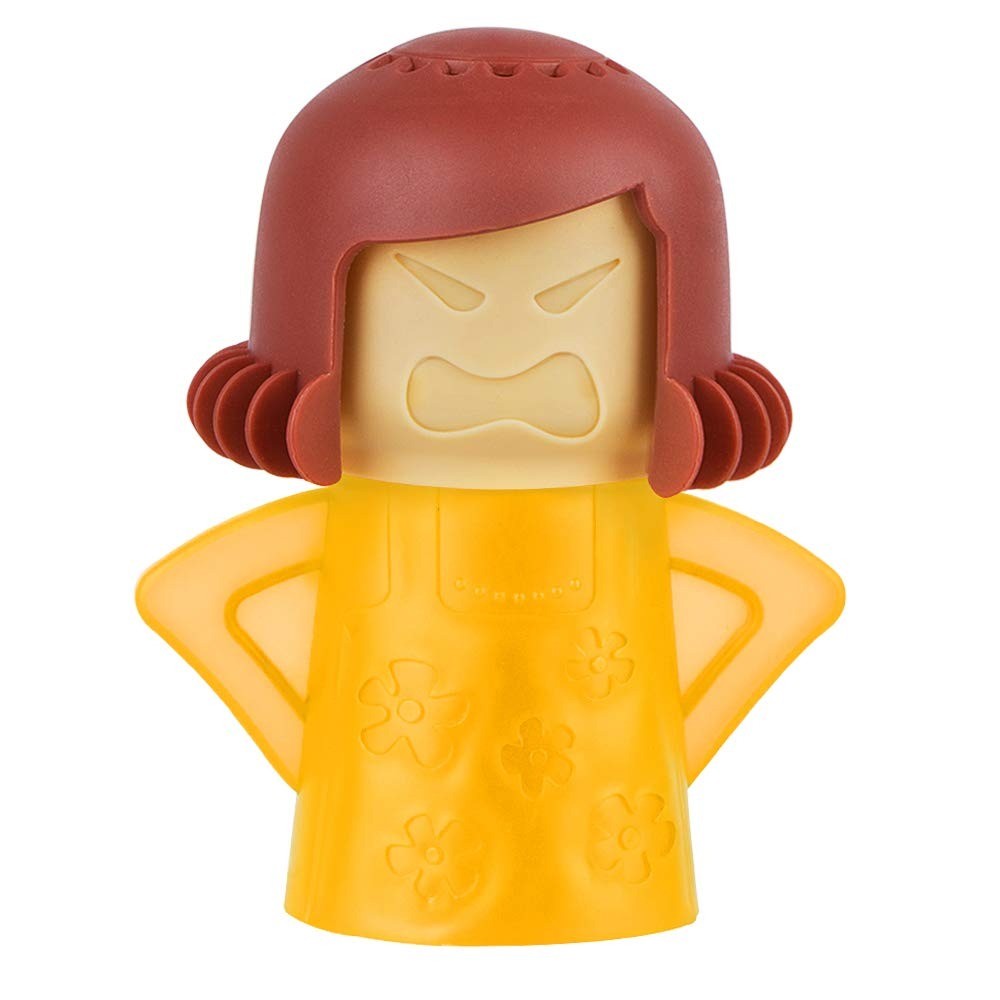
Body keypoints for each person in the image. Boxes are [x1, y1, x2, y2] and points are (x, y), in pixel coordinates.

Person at [137, 28, 844, 944]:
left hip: (615, 882)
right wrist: (319, 743)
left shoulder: (655, 524)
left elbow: (781, 599)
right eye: (445, 297)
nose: (509, 350)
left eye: (571, 298)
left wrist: (664, 739)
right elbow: (201, 600)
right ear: (324, 320)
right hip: (375, 891)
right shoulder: (339, 523)